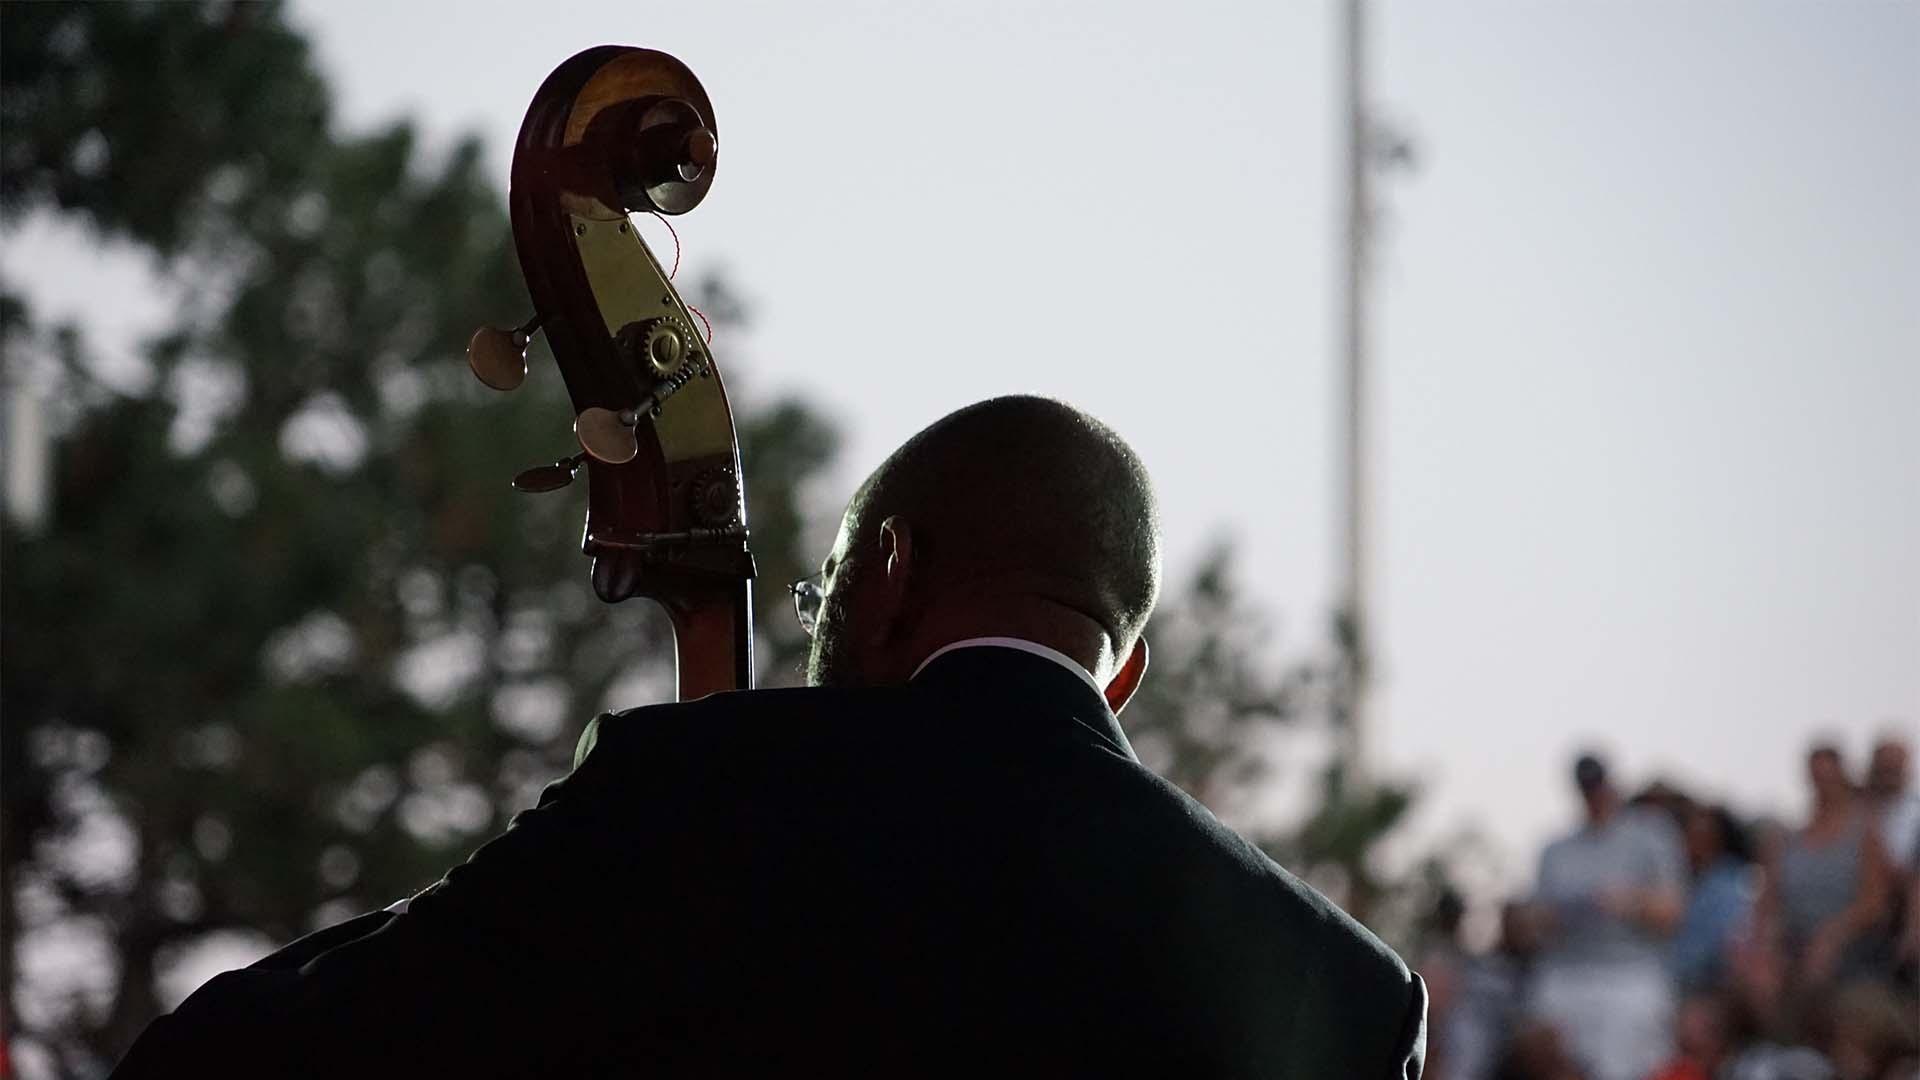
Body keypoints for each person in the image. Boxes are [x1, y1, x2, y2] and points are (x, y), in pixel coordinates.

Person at [113, 396, 1427, 1078]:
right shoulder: (1350, 1000)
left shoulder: (700, 797)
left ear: (893, 571)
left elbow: (270, 1057)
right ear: (1124, 671)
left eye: (831, 584)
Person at [1524, 752, 1687, 1080]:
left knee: (1620, 1055)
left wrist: (1631, 902)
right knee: (1537, 1037)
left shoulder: (1651, 835)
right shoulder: (1555, 849)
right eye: (1586, 787)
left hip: (1631, 970)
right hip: (1566, 969)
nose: (1593, 794)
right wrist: (1549, 916)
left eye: (1597, 784)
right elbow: (1532, 923)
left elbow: (1674, 911)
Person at [1757, 745, 1893, 997]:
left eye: (1828, 777)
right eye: (1816, 777)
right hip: (1792, 942)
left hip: (1849, 949)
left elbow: (1874, 903)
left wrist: (1831, 935)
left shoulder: (1865, 834)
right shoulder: (1788, 839)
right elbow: (1768, 901)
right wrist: (1766, 941)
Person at [1672, 803, 1758, 994]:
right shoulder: (1686, 881)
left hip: (1707, 986)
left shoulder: (1729, 883)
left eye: (1700, 835)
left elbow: (1723, 943)